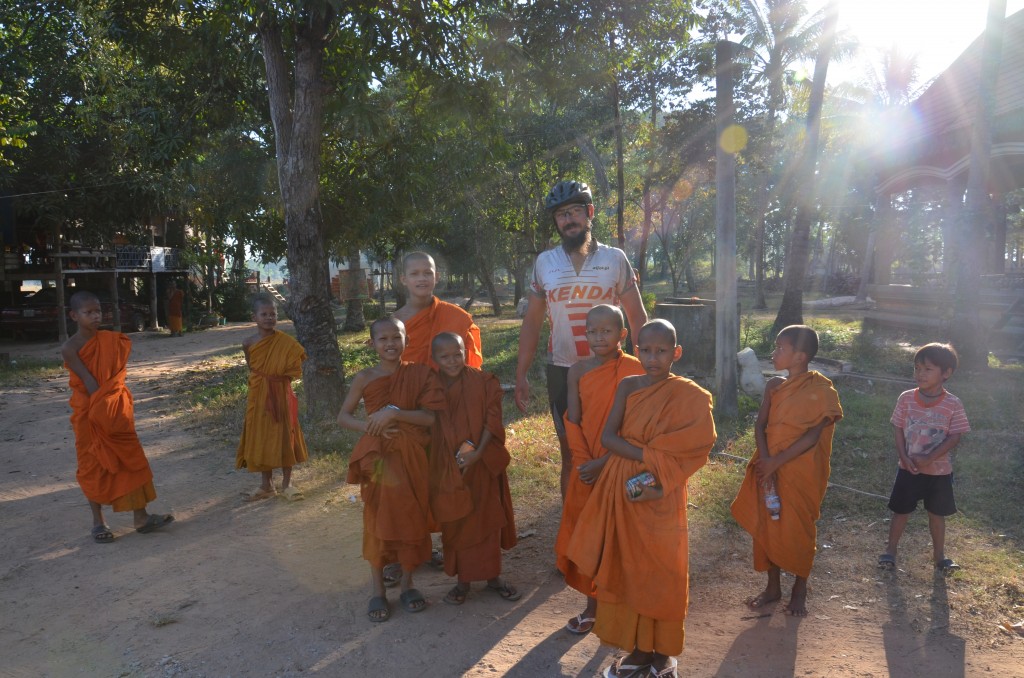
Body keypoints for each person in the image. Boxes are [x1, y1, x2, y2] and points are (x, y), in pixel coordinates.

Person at [567, 320, 717, 678]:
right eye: (646, 351)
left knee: (665, 570)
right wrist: (651, 455)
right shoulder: (628, 385)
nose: (653, 357)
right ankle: (637, 649)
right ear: (636, 350)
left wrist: (650, 460)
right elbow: (608, 438)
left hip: (663, 490)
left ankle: (663, 654)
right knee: (628, 565)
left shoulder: (690, 395)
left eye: (662, 351)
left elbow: (700, 444)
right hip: (624, 486)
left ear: (676, 353)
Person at [515, 180, 648, 499]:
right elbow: (532, 323)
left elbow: (637, 316)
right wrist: (521, 374)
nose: (568, 219)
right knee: (571, 452)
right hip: (561, 371)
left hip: (612, 371)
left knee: (614, 445)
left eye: (575, 211)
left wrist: (650, 368)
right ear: (556, 222)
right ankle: (575, 527)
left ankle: (611, 519)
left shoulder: (615, 259)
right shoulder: (545, 263)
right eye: (561, 214)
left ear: (589, 213)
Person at [730, 325, 843, 618]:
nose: (774, 352)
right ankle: (773, 587)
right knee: (769, 523)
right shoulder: (774, 386)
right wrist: (766, 461)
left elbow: (812, 437)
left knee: (800, 526)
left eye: (781, 348)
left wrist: (777, 462)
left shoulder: (822, 390)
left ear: (800, 356)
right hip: (769, 466)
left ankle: (800, 588)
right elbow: (760, 425)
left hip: (800, 469)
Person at [338, 317, 445, 622]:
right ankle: (377, 591)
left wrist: (395, 414)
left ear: (406, 340)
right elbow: (343, 417)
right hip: (379, 457)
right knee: (377, 520)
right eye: (382, 339)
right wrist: (370, 426)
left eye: (395, 337)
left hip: (412, 457)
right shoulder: (364, 377)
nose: (389, 344)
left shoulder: (419, 374)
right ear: (371, 343)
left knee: (413, 517)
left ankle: (409, 585)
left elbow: (430, 418)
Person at [555, 304, 644, 636]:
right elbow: (573, 420)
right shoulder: (577, 371)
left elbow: (637, 426)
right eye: (592, 330)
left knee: (624, 538)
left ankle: (624, 608)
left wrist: (606, 463)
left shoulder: (636, 369)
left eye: (606, 330)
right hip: (588, 463)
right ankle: (592, 608)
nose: (598, 336)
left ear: (622, 334)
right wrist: (583, 464)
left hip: (624, 465)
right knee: (591, 537)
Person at [61, 291, 174, 543]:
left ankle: (141, 517)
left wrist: (114, 412)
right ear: (74, 315)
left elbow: (114, 377)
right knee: (93, 464)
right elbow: (91, 383)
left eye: (98, 310)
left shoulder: (112, 340)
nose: (95, 316)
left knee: (129, 458)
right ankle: (98, 522)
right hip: (91, 413)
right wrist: (105, 415)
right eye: (88, 312)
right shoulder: (70, 347)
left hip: (115, 410)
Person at [428, 332, 520, 606]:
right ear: (434, 359)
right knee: (456, 520)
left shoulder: (484, 381)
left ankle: (493, 577)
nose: (453, 361)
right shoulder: (432, 387)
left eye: (457, 354)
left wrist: (477, 454)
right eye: (445, 357)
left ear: (466, 351)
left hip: (482, 462)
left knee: (487, 519)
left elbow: (493, 421)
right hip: (448, 465)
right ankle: (462, 582)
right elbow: (429, 425)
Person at [878, 342, 969, 573]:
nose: (920, 374)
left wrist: (929, 458)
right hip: (908, 469)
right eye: (917, 368)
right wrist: (903, 456)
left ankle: (940, 557)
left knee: (937, 515)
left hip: (939, 473)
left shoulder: (953, 404)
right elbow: (898, 428)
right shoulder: (906, 398)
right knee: (901, 511)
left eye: (928, 369)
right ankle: (890, 552)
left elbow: (954, 437)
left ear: (946, 373)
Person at [235, 295, 309, 501]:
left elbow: (294, 368)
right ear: (254, 317)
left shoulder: (286, 343)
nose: (269, 318)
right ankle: (266, 485)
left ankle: (287, 483)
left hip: (281, 392)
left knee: (286, 434)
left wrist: (275, 379)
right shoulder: (248, 343)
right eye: (264, 314)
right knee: (261, 435)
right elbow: (253, 367)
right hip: (258, 394)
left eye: (273, 314)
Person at [393, 251, 482, 371]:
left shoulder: (456, 316)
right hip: (409, 387)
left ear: (437, 277)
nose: (422, 278)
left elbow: (468, 364)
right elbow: (390, 365)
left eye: (428, 273)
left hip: (449, 387)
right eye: (414, 274)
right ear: (404, 279)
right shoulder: (395, 321)